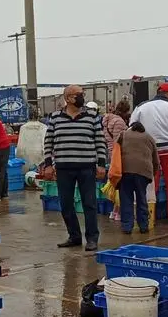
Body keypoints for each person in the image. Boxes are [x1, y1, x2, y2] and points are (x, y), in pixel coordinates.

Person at [45, 85, 107, 250]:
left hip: (87, 167)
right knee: (66, 204)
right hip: (64, 168)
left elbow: (100, 142)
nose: (82, 97)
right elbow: (48, 142)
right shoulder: (55, 117)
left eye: (82, 94)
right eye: (79, 95)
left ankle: (92, 238)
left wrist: (101, 164)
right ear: (68, 98)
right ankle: (74, 236)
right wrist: (48, 165)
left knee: (89, 204)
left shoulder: (92, 116)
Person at [130, 83, 168, 225]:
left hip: (148, 149)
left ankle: (148, 218)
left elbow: (132, 126)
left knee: (150, 184)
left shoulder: (141, 106)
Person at [117, 122, 160, 234]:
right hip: (143, 172)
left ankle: (127, 227)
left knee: (126, 199)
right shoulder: (149, 137)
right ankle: (143, 226)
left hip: (126, 171)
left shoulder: (123, 135)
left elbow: (115, 153)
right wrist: (152, 174)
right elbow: (156, 161)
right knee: (142, 198)